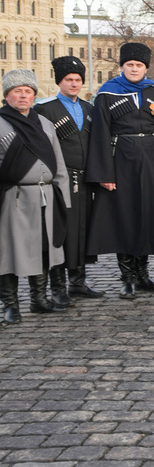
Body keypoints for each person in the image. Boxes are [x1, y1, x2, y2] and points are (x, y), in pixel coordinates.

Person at [86, 42, 154, 298]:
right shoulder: (107, 93)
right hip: (120, 157)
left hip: (149, 158)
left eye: (139, 65)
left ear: (145, 68)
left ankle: (143, 274)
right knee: (124, 218)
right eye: (130, 65)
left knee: (146, 216)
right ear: (122, 66)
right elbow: (99, 134)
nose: (134, 69)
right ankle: (127, 277)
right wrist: (104, 174)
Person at [0, 70, 70, 323]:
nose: (23, 95)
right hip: (13, 197)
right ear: (7, 95)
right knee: (9, 251)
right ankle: (10, 305)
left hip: (47, 196)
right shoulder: (0, 123)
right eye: (17, 91)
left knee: (43, 249)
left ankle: (39, 300)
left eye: (28, 91)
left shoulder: (45, 124)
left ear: (33, 95)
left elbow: (59, 165)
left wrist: (64, 201)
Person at [35, 56, 101, 304]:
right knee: (62, 232)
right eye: (68, 80)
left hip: (85, 179)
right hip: (60, 180)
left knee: (82, 230)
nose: (74, 84)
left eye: (77, 80)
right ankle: (58, 287)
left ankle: (78, 282)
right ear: (59, 82)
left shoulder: (89, 108)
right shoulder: (45, 109)